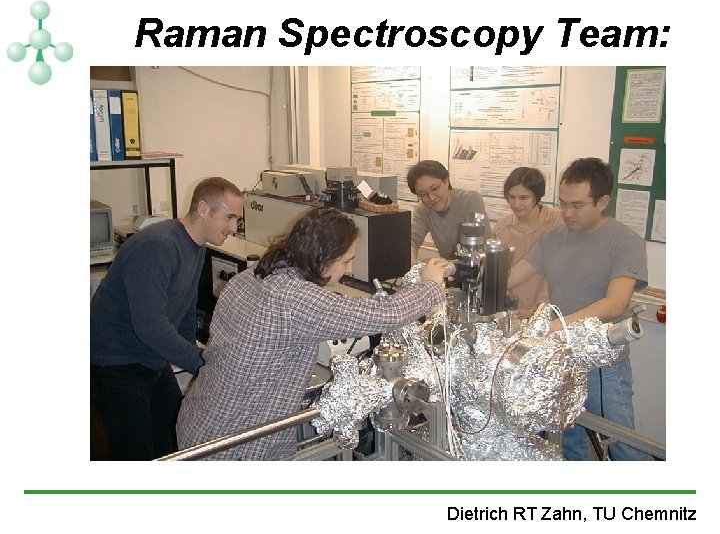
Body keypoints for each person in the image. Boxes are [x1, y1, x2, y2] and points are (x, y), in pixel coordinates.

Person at [176, 207, 448, 460]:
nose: (349, 269)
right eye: (347, 261)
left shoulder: (252, 276)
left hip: (200, 419)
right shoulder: (293, 297)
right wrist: (431, 285)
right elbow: (384, 314)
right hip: (237, 444)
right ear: (323, 258)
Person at [90, 177, 245, 460]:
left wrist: (200, 357)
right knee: (135, 451)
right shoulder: (159, 245)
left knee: (175, 435)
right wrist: (203, 363)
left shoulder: (196, 247)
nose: (234, 228)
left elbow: (185, 310)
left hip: (149, 356)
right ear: (203, 209)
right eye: (230, 217)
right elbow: (150, 325)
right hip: (115, 361)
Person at [507, 157, 652, 461]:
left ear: (603, 202)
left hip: (604, 364)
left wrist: (555, 326)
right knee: (566, 442)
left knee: (621, 444)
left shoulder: (625, 241)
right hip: (563, 359)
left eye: (577, 205)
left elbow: (614, 304)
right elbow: (512, 277)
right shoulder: (555, 238)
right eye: (563, 204)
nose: (567, 213)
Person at [494, 167, 564, 317]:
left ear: (537, 196)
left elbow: (558, 273)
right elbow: (499, 274)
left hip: (549, 313)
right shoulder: (502, 227)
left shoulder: (557, 223)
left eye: (524, 198)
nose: (516, 204)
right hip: (512, 312)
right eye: (512, 197)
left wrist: (537, 311)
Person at [407, 160, 491, 263]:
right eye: (423, 194)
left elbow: (483, 245)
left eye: (434, 189)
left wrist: (449, 266)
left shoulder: (469, 200)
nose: (431, 198)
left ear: (446, 181)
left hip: (477, 267)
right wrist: (412, 266)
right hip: (449, 269)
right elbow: (412, 239)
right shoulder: (422, 209)